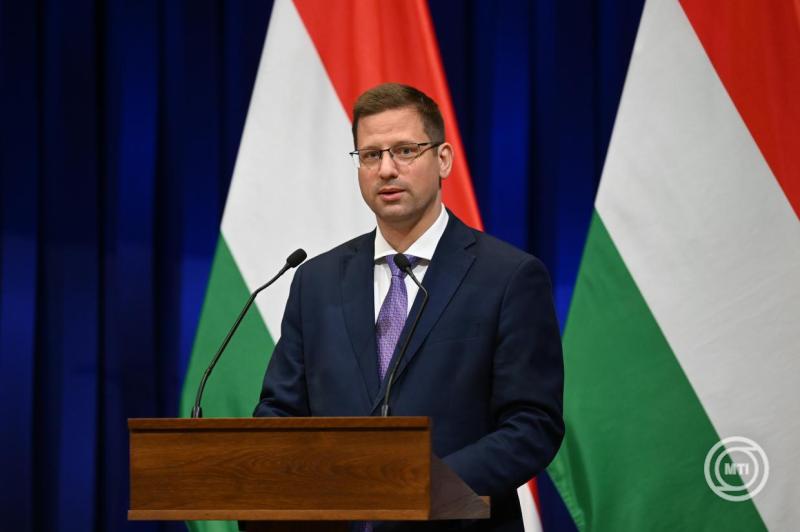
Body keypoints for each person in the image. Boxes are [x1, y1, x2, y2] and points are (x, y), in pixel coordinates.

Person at [254, 83, 564, 531]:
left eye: (404, 151)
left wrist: (421, 488)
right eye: (370, 155)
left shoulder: (509, 277)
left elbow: (532, 425)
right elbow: (279, 412)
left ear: (443, 159)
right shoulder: (315, 281)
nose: (386, 169)